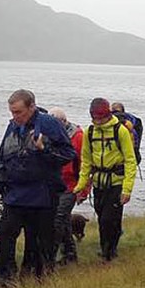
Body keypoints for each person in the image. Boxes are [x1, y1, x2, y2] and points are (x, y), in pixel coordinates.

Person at [0, 90, 76, 283]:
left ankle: (39, 279)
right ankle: (6, 280)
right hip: (15, 193)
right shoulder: (12, 127)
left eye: (19, 112)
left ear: (32, 107)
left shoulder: (49, 124)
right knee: (4, 233)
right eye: (12, 112)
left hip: (43, 194)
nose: (15, 117)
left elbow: (69, 154)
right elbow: (3, 159)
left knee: (38, 242)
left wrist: (45, 149)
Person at [74, 98, 137, 262]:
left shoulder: (120, 131)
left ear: (108, 115)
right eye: (95, 118)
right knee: (103, 217)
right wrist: (80, 185)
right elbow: (86, 160)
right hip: (98, 182)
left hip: (116, 182)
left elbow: (130, 160)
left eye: (101, 118)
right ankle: (109, 249)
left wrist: (127, 189)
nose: (99, 122)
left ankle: (107, 253)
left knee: (108, 219)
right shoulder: (89, 132)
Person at [48, 107, 83, 266]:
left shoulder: (78, 136)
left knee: (58, 219)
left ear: (63, 121)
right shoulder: (50, 136)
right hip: (55, 185)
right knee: (65, 222)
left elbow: (85, 163)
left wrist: (84, 189)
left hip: (72, 186)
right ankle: (70, 255)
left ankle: (49, 257)